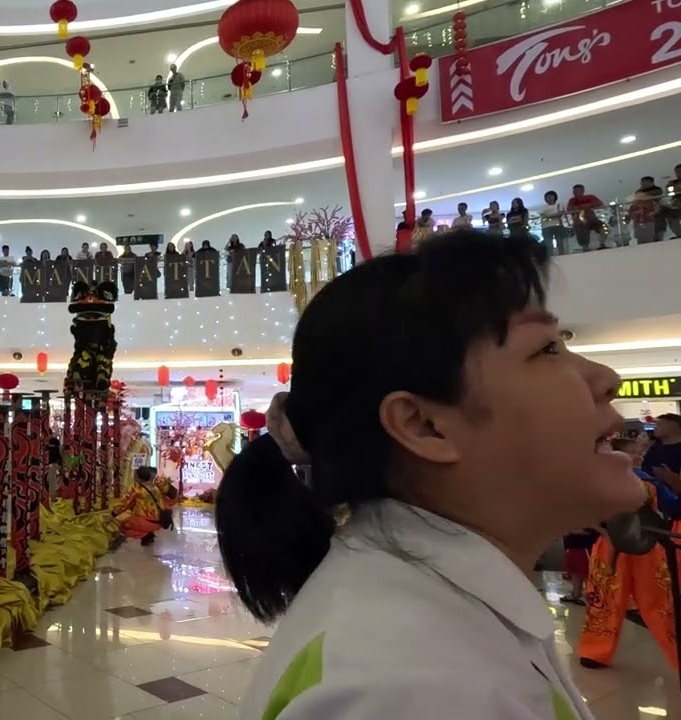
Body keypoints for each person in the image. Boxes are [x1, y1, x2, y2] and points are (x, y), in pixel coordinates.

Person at [218, 229, 639, 718]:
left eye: (561, 342)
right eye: (546, 349)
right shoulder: (418, 687)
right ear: (424, 426)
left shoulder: (428, 628)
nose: (607, 378)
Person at [577, 439, 678, 670]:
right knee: (604, 600)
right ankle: (594, 651)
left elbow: (671, 506)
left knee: (661, 602)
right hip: (610, 545)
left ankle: (676, 650)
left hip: (648, 546)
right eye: (633, 452)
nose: (640, 455)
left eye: (640, 452)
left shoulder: (650, 481)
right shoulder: (601, 481)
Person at [111, 466, 174, 546]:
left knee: (125, 524)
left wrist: (114, 513)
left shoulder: (137, 489)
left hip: (146, 522)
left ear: (138, 477)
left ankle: (146, 535)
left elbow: (124, 504)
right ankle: (148, 535)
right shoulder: (155, 488)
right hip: (159, 521)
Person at [567, 184, 606, 250]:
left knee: (604, 228)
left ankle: (602, 243)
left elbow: (599, 203)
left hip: (592, 220)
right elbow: (569, 209)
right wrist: (586, 206)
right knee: (580, 231)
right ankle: (585, 246)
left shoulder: (590, 197)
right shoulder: (572, 200)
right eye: (574, 191)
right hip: (579, 222)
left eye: (577, 191)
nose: (575, 193)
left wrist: (583, 206)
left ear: (582, 191)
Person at [630, 175, 666, 244]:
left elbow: (653, 197)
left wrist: (642, 195)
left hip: (656, 217)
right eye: (642, 183)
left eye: (645, 182)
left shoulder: (657, 191)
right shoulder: (638, 192)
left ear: (651, 182)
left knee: (658, 237)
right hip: (642, 219)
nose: (642, 185)